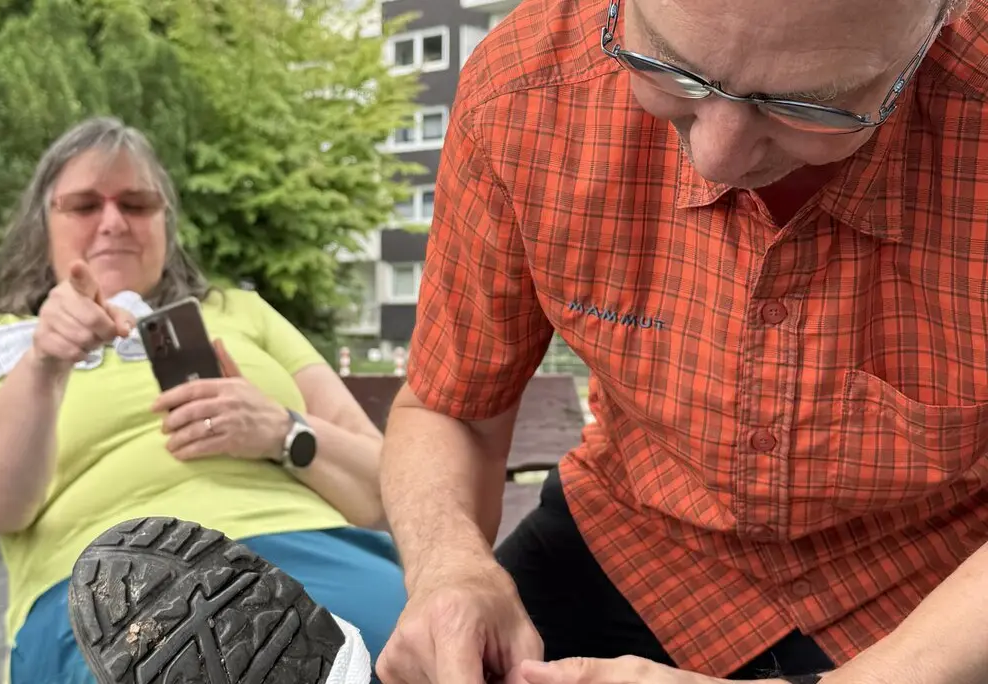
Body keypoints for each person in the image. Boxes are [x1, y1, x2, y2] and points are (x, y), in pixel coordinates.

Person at [374, 0, 988, 683]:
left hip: (938, 589)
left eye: (810, 104)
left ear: (942, 23)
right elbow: (450, 410)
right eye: (668, 66)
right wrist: (447, 565)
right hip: (630, 540)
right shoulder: (524, 91)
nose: (715, 156)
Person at [0, 116, 404, 684]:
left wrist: (282, 431)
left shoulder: (243, 314)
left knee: (423, 641)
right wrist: (44, 362)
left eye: (138, 204)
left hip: (316, 548)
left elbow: (388, 487)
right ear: (41, 224)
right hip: (110, 601)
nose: (113, 222)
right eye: (84, 205)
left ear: (167, 222)